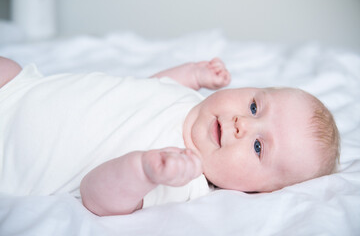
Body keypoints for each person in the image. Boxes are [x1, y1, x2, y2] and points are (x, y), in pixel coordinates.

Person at [0, 56, 340, 217]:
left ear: (255, 190)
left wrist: (144, 172)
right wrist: (193, 74)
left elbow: (96, 196)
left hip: (12, 155)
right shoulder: (190, 101)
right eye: (254, 107)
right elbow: (149, 88)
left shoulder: (181, 175)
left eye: (257, 146)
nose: (242, 124)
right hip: (21, 87)